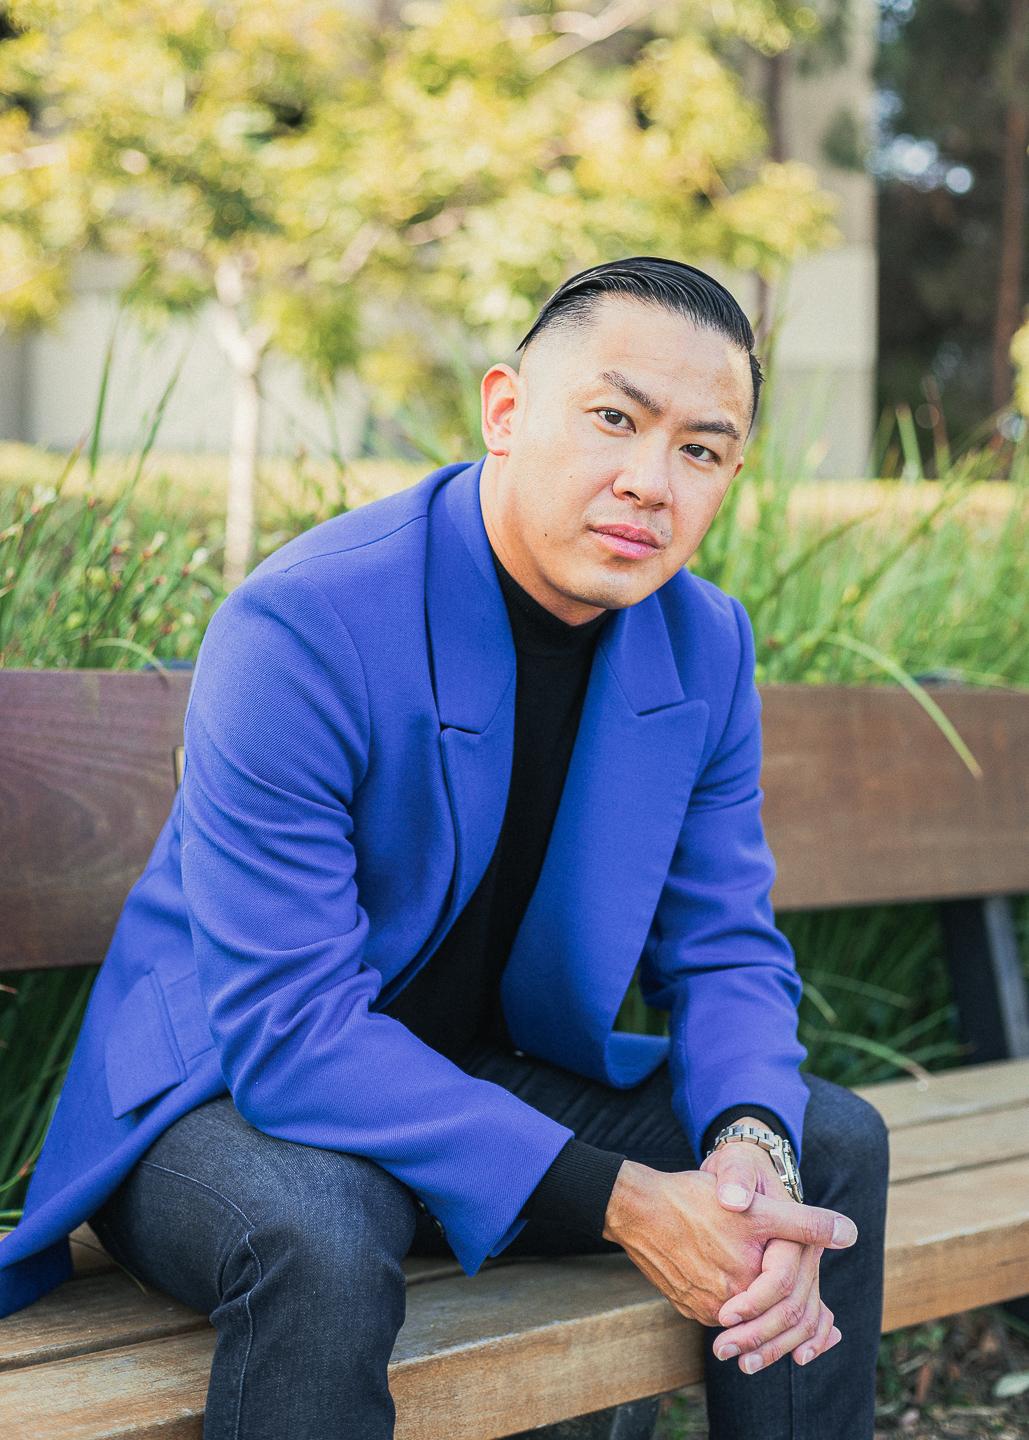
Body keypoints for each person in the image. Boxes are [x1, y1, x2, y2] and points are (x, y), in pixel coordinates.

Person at [0, 257, 889, 1440]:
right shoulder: (304, 624)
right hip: (226, 1094)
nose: (648, 482)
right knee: (320, 1227)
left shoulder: (704, 643)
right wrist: (625, 1201)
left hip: (481, 1074)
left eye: (701, 449)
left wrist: (747, 1147)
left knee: (819, 1148)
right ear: (507, 412)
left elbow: (726, 951)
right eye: (615, 419)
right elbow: (292, 1031)